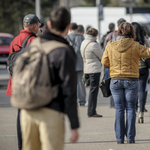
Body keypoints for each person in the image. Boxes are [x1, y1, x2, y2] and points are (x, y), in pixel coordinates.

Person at [20, 7, 79, 150]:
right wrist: (74, 124)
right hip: (51, 112)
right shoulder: (64, 51)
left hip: (27, 110)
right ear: (69, 26)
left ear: (49, 24)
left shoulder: (34, 44)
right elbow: (69, 90)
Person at [101, 22, 150, 144]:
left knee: (119, 109)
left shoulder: (110, 45)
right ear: (132, 32)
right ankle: (131, 138)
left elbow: (104, 62)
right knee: (131, 108)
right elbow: (148, 52)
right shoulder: (135, 45)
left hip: (116, 80)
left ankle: (119, 139)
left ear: (119, 31)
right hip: (132, 80)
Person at [6, 14, 40, 150]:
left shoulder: (14, 40)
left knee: (21, 116)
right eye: (38, 25)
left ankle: (22, 145)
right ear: (35, 26)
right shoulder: (34, 41)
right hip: (29, 85)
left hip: (16, 84)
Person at [103, 18, 126, 109]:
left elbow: (105, 49)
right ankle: (122, 103)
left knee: (113, 84)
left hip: (111, 64)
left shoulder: (110, 35)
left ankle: (113, 104)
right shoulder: (128, 36)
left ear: (117, 25)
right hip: (124, 64)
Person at [80, 28, 103, 117]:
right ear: (95, 35)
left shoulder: (83, 43)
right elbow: (102, 56)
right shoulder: (93, 45)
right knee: (94, 91)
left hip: (87, 69)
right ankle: (91, 111)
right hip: (94, 69)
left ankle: (91, 111)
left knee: (91, 90)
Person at [131, 22, 149, 123]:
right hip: (144, 68)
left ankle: (133, 111)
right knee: (142, 90)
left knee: (132, 91)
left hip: (132, 69)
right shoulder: (144, 40)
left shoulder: (130, 41)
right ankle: (141, 113)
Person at [66, 22, 86, 106]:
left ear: (69, 29)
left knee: (70, 83)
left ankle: (72, 100)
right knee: (81, 84)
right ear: (77, 29)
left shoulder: (66, 38)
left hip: (69, 64)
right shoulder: (82, 37)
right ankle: (82, 101)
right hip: (80, 63)